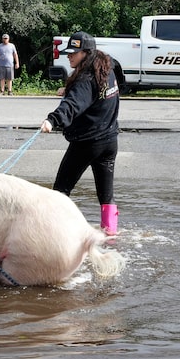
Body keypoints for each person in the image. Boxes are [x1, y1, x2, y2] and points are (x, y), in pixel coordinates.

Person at [40, 31, 121, 236]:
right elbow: (96, 92)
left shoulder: (85, 78)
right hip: (110, 141)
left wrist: (52, 120)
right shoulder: (108, 66)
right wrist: (68, 90)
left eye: (74, 53)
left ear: (86, 53)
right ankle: (110, 234)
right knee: (106, 196)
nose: (69, 56)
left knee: (60, 191)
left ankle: (54, 234)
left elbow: (74, 104)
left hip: (88, 143)